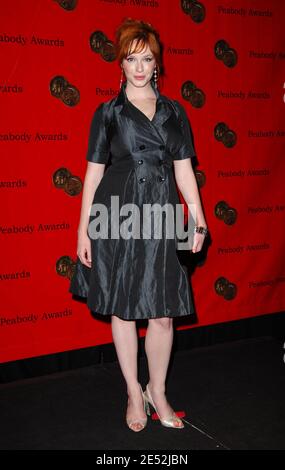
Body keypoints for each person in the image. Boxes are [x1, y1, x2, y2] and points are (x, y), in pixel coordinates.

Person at [69, 17, 208, 432]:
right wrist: (83, 231)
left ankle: (157, 390)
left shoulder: (174, 112)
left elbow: (184, 171)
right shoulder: (108, 113)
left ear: (157, 63)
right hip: (118, 215)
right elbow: (93, 175)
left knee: (164, 314)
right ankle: (133, 391)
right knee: (125, 310)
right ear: (121, 63)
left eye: (147, 59)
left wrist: (197, 219)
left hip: (161, 215)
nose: (140, 67)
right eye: (132, 59)